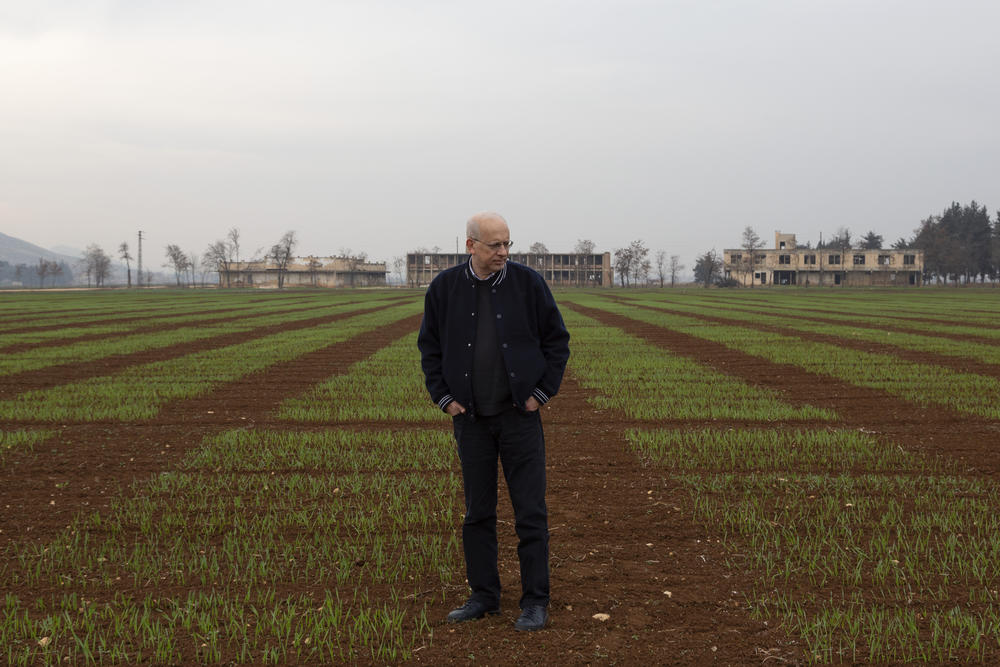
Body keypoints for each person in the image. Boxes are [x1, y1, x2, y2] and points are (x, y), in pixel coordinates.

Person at [417, 211, 570, 632]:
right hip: (471, 420)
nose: (503, 252)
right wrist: (445, 400)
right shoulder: (445, 289)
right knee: (477, 514)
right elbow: (428, 348)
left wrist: (540, 396)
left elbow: (558, 342)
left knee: (530, 513)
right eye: (494, 245)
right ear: (470, 246)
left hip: (519, 419)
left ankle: (535, 601)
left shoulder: (528, 285)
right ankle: (484, 596)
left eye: (507, 244)